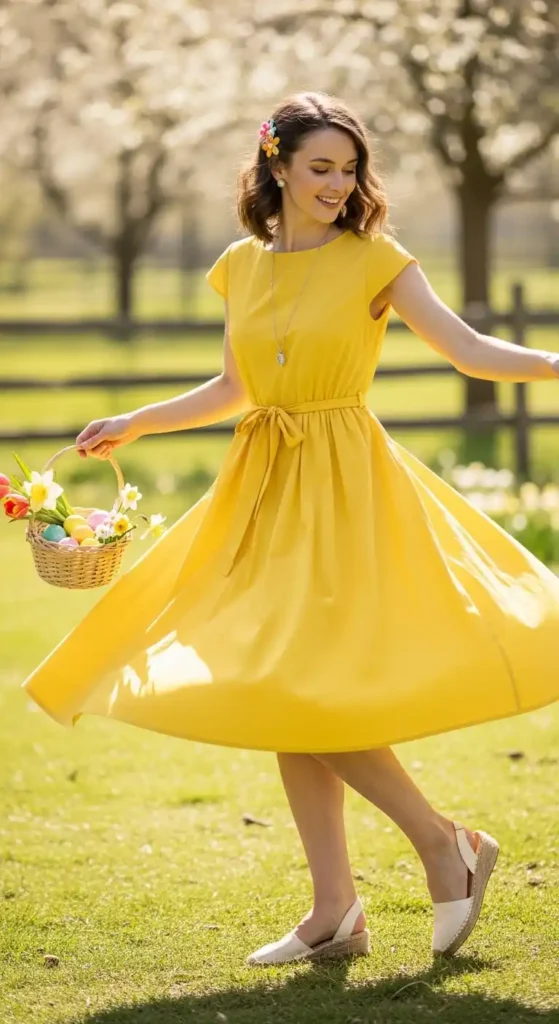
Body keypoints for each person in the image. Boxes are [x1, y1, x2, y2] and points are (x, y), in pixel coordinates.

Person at [22, 91, 559, 967]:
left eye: (348, 170)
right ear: (275, 165)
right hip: (264, 484)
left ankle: (441, 845)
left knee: (304, 683)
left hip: (346, 485)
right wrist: (137, 422)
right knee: (283, 683)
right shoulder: (240, 265)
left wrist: (553, 362)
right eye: (319, 168)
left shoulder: (375, 258)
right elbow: (234, 388)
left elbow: (467, 350)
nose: (337, 186)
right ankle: (335, 909)